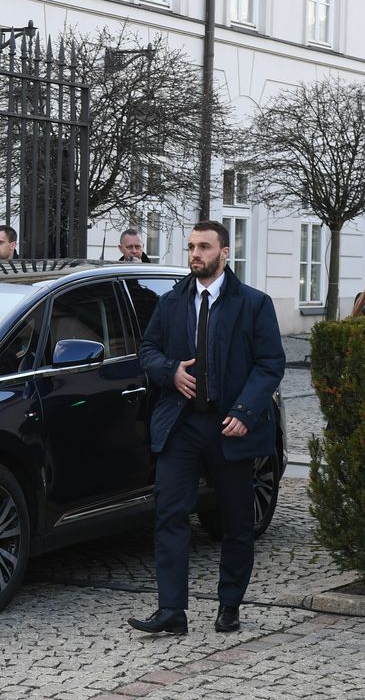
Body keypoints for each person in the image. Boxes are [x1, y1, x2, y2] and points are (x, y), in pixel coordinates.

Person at [129, 220, 285, 635]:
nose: (195, 254)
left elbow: (270, 364)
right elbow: (148, 349)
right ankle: (171, 611)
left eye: (204, 247)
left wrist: (245, 412)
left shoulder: (253, 303)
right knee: (170, 516)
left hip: (230, 425)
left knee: (236, 522)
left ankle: (229, 605)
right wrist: (170, 371)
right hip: (181, 424)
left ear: (224, 253)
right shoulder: (173, 300)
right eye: (191, 247)